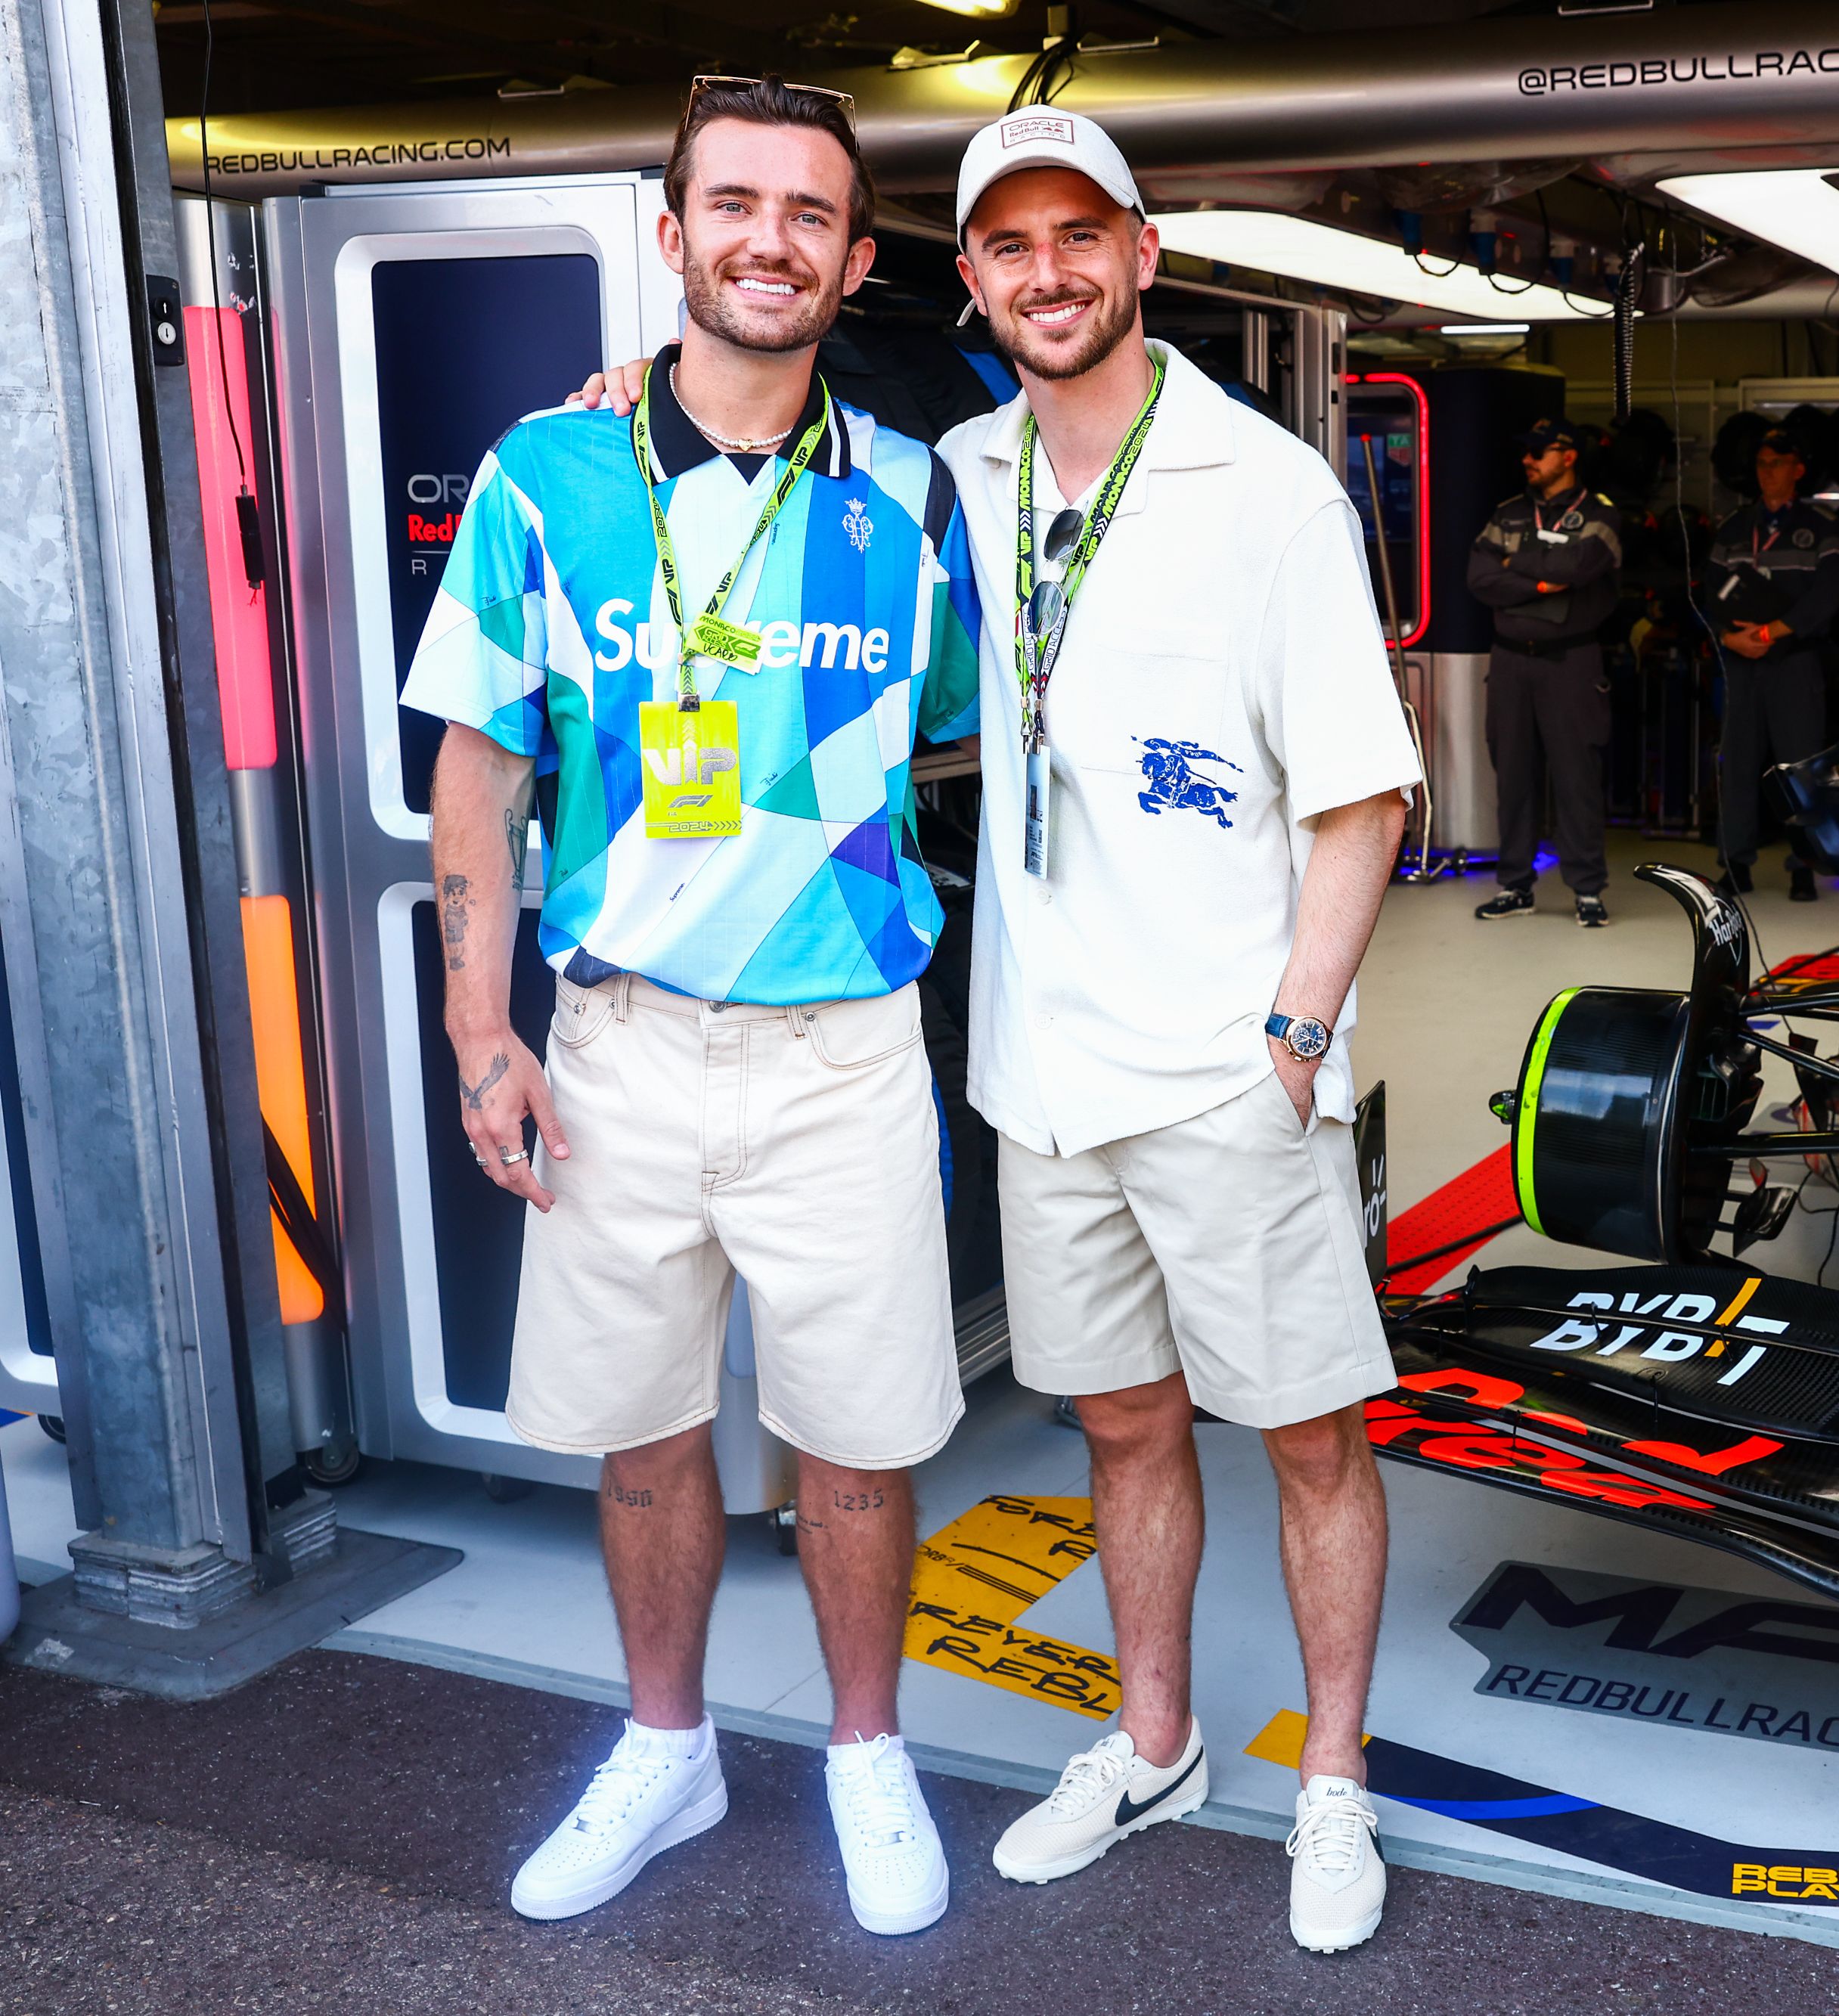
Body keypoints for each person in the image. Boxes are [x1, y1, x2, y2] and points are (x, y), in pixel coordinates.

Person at [414, 77, 979, 1937]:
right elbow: (480, 768)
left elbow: (968, 730)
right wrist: (478, 1027)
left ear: (854, 258)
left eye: (807, 213)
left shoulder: (913, 491)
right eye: (730, 203)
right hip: (619, 1040)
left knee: (856, 1438)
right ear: (672, 236)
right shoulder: (540, 474)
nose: (767, 238)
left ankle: (862, 1748)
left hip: (843, 1049)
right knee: (642, 1429)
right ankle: (669, 1744)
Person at [942, 110, 1417, 1952]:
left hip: (1229, 1068)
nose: (1045, 270)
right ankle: (1154, 1742)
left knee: (1305, 1437)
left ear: (1141, 252)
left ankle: (1337, 1780)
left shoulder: (1264, 484)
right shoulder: (969, 463)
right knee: (1125, 1428)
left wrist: (1292, 1039)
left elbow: (1363, 798)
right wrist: (635, 376)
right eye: (1007, 243)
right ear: (970, 281)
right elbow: (755, 408)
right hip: (1043, 1074)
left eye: (1080, 233)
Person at [1466, 420, 1623, 926]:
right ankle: (1516, 885)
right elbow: (1479, 578)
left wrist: (1516, 564)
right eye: (1526, 451)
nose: (1528, 460)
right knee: (1512, 774)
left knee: (1577, 777)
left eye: (1539, 451)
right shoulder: (1508, 514)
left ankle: (1587, 890)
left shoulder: (1600, 514)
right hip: (1511, 660)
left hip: (1571, 663)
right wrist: (1536, 583)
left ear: (1569, 455)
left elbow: (1578, 569)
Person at [1702, 426, 1839, 901]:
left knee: (1800, 770)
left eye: (1778, 463)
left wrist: (1768, 633)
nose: (1769, 472)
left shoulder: (1822, 529)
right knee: (1737, 765)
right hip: (1741, 663)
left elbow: (1824, 600)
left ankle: (1802, 865)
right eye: (1763, 464)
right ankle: (1735, 864)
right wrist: (1730, 639)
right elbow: (1705, 596)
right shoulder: (1734, 529)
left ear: (1798, 470)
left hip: (1795, 664)